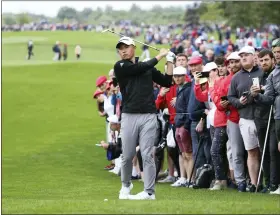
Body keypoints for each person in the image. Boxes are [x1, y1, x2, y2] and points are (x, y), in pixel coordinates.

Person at [113, 36, 175, 200]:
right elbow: (139, 68)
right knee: (127, 155)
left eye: (126, 47)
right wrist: (159, 56)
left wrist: (170, 62)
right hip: (129, 115)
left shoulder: (147, 67)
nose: (123, 50)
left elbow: (167, 82)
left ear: (134, 47)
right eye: (120, 48)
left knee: (147, 154)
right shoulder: (120, 66)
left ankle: (149, 192)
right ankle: (126, 184)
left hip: (148, 115)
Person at [227, 46, 263, 192]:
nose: (243, 58)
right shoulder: (236, 77)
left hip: (263, 117)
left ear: (254, 56)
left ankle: (268, 183)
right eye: (241, 56)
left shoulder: (263, 72)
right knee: (252, 152)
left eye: (246, 55)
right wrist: (238, 102)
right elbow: (230, 97)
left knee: (266, 151)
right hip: (246, 117)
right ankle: (254, 184)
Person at [251, 38, 280, 194]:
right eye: (261, 60)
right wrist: (255, 95)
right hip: (265, 117)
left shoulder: (273, 74)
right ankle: (270, 184)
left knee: (274, 150)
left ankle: (275, 183)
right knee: (268, 151)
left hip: (274, 117)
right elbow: (264, 98)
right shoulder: (264, 75)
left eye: (266, 59)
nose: (263, 62)